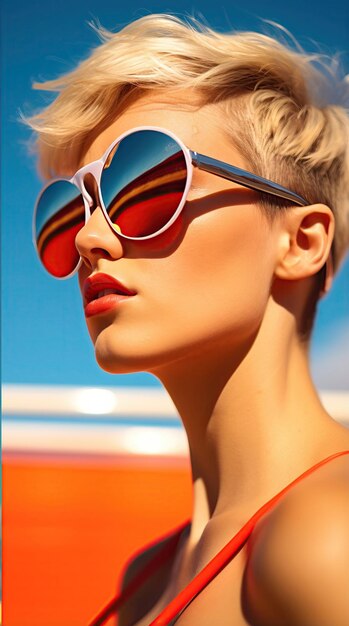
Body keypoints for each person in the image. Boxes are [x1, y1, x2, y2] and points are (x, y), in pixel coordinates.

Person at [27, 14, 349, 626]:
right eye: (70, 212)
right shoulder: (146, 575)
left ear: (301, 242)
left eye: (148, 184)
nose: (91, 238)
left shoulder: (328, 535)